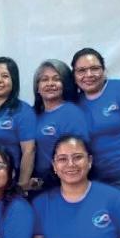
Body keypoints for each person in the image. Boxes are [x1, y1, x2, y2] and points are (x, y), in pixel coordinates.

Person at [72, 48, 120, 189]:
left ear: (104, 70)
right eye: (81, 71)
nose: (88, 75)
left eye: (94, 68)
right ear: (74, 75)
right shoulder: (74, 103)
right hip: (94, 181)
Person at [0, 57, 37, 193]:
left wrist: (21, 185)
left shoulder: (23, 111)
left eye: (5, 76)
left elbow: (29, 151)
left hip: (10, 181)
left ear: (13, 81)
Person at [31, 59, 87, 191]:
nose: (50, 84)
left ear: (65, 85)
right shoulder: (34, 114)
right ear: (37, 87)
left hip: (62, 181)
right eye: (44, 79)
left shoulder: (72, 113)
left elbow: (79, 153)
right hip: (37, 182)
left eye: (56, 79)